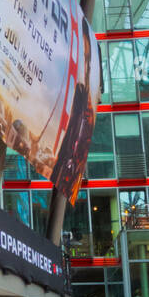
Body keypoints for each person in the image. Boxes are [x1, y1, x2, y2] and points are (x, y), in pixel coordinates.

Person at [52, 25, 96, 201]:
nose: (82, 63)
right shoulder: (80, 94)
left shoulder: (86, 102)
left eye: (85, 58)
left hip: (69, 166)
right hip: (65, 163)